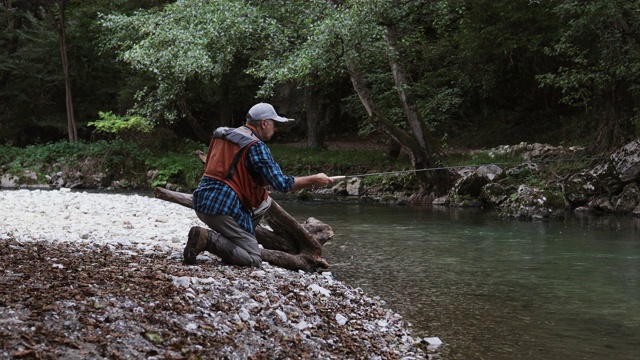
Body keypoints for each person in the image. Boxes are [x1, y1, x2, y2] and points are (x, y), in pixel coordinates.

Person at [185, 102, 334, 267]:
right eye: (274, 123)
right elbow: (282, 184)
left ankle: (230, 243)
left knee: (265, 202)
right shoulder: (256, 146)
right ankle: (208, 239)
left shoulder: (222, 134)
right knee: (253, 258)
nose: (275, 128)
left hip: (201, 202)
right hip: (221, 210)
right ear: (264, 123)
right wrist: (315, 179)